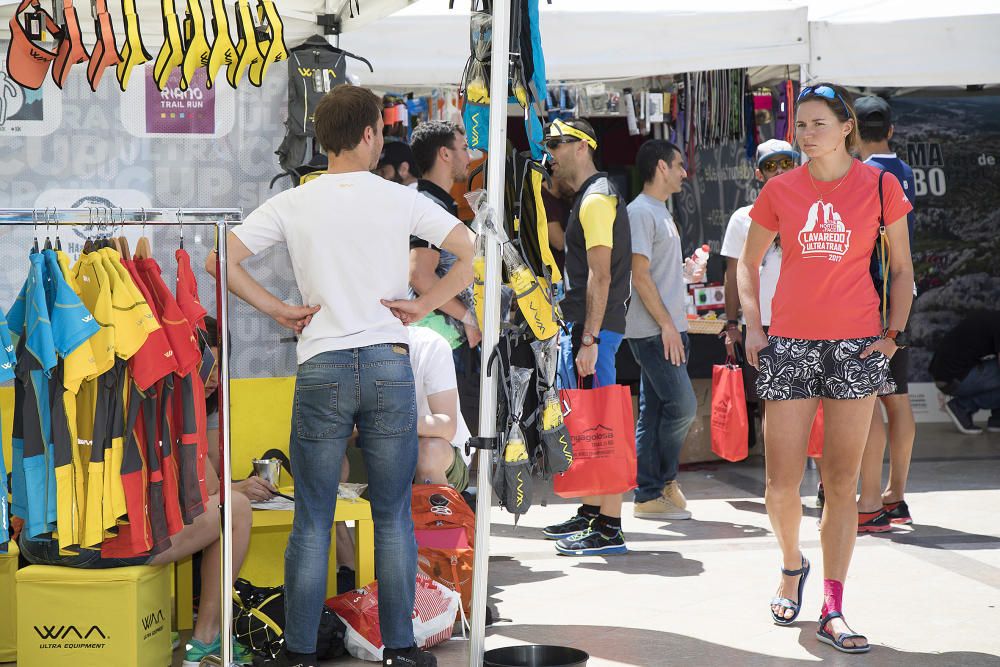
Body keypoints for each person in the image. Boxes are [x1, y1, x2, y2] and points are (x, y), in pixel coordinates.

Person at [213, 85, 474, 667]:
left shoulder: (294, 201)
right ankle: (401, 651)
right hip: (387, 361)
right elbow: (470, 248)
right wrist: (424, 304)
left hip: (322, 363)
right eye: (380, 131)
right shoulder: (397, 197)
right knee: (390, 515)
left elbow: (220, 259)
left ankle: (300, 654)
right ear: (367, 135)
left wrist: (279, 309)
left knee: (312, 516)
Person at [739, 83, 913, 653]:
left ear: (846, 129)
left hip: (857, 347)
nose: (805, 133)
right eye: (801, 125)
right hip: (789, 344)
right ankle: (792, 564)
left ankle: (833, 606)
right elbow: (748, 262)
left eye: (817, 124)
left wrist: (891, 336)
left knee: (842, 483)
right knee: (780, 485)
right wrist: (755, 326)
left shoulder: (883, 187)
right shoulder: (780, 190)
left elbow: (904, 270)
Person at [19, 455, 254, 666]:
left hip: (34, 539)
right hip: (95, 543)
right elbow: (206, 484)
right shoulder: (163, 404)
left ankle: (150, 628)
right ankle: (207, 640)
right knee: (236, 507)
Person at [541, 118, 633, 556]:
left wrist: (590, 340)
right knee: (588, 423)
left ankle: (610, 524)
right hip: (589, 326)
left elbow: (601, 274)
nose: (550, 152)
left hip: (595, 329)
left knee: (603, 424)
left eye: (557, 144)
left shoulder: (596, 199)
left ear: (583, 147)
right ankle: (594, 511)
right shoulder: (590, 196)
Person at [854, 95, 920, 531]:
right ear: (891, 130)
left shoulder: (865, 177)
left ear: (851, 131)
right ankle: (896, 493)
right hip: (904, 292)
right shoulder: (905, 172)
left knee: (866, 402)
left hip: (873, 300)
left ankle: (873, 498)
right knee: (897, 398)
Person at [624, 139, 697, 522]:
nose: (684, 172)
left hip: (666, 328)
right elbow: (638, 275)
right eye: (679, 165)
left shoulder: (659, 212)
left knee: (653, 414)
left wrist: (686, 273)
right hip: (654, 331)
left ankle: (650, 493)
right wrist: (667, 325)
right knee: (683, 408)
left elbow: (655, 272)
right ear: (661, 167)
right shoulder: (640, 212)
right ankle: (662, 483)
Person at [406, 121, 482, 435]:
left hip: (440, 337)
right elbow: (419, 275)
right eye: (463, 148)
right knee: (453, 438)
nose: (470, 156)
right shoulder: (428, 206)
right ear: (444, 154)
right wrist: (466, 316)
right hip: (440, 338)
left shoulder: (430, 202)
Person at [721, 139, 799, 357]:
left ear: (797, 166)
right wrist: (732, 324)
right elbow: (733, 274)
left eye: (786, 163)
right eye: (771, 166)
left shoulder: (815, 213)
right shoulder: (742, 218)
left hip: (805, 326)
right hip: (759, 326)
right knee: (759, 392)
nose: (780, 170)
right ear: (759, 174)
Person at [201, 316, 279, 503]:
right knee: (240, 508)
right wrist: (237, 489)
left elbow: (212, 461)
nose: (214, 378)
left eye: (219, 369)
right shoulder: (172, 404)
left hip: (206, 497)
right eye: (208, 368)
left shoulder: (214, 398)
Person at [930, 310, 1000, 434]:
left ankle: (997, 420)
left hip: (947, 375)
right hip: (952, 378)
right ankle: (962, 407)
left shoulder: (993, 317)